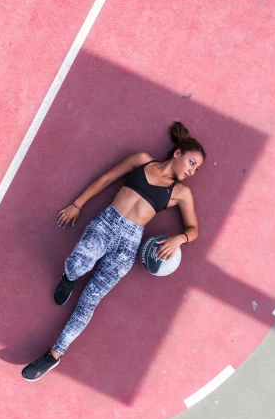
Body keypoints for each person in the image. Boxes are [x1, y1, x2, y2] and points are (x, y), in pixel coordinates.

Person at [21, 122, 206, 381]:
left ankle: (54, 355)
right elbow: (107, 179)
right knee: (76, 264)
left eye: (197, 168)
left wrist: (179, 239)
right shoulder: (142, 160)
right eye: (192, 162)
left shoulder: (181, 193)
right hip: (106, 224)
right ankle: (69, 278)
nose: (193, 170)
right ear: (177, 153)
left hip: (129, 245)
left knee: (90, 301)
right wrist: (77, 204)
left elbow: (194, 228)